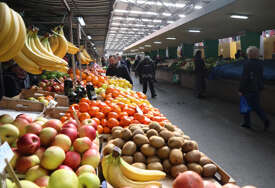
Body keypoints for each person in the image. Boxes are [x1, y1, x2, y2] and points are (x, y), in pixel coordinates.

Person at [239, 46, 270, 130]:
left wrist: (241, 89)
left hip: (248, 89)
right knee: (256, 106)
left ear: (249, 54)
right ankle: (265, 119)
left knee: (246, 106)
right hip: (256, 88)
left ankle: (247, 123)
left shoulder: (247, 63)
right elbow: (260, 76)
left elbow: (244, 78)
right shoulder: (260, 63)